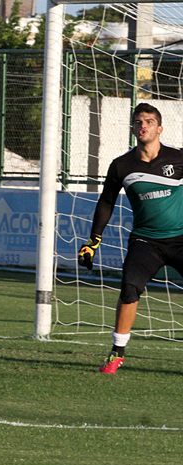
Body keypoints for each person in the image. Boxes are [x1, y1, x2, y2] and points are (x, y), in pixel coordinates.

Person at [78, 102, 183, 374]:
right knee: (129, 288)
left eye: (148, 121)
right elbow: (106, 202)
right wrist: (94, 241)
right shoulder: (122, 166)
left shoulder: (178, 158)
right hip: (145, 242)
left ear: (160, 128)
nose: (143, 125)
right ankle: (116, 354)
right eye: (138, 121)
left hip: (181, 239)